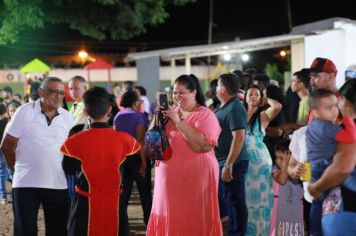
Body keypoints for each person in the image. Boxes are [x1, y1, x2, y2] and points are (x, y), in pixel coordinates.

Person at [146, 74, 223, 236]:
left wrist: (179, 122)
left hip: (196, 177)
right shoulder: (168, 113)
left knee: (194, 214)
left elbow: (203, 146)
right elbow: (152, 142)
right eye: (174, 92)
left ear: (194, 92)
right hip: (168, 179)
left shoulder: (205, 114)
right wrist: (157, 116)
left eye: (181, 92)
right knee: (169, 212)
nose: (177, 96)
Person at [60, 87, 140, 236]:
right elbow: (132, 165)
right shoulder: (126, 140)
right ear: (109, 109)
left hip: (84, 204)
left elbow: (68, 169)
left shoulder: (73, 141)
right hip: (115, 203)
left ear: (85, 112)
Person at [0, 77, 74, 236]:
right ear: (41, 92)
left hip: (57, 184)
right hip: (26, 184)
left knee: (58, 231)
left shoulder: (68, 117)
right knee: (25, 231)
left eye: (62, 92)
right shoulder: (24, 112)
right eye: (54, 91)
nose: (59, 96)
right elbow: (6, 146)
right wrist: (16, 170)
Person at [308, 79, 356, 235]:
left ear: (343, 100)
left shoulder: (348, 128)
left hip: (347, 206)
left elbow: (343, 167)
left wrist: (316, 187)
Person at [243, 85, 282, 236]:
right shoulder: (239, 114)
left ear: (261, 98)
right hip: (244, 160)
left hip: (260, 161)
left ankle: (261, 232)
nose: (253, 97)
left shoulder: (263, 116)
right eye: (250, 94)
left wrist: (266, 99)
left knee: (260, 199)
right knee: (246, 199)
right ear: (245, 97)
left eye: (256, 95)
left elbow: (277, 106)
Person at [214, 73, 249, 235]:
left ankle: (237, 233)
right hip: (223, 161)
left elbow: (239, 137)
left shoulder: (235, 107)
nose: (216, 88)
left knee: (235, 202)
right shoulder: (224, 106)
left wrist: (229, 164)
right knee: (229, 200)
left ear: (224, 88)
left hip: (233, 162)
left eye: (218, 85)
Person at [113, 90, 152, 236]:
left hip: (122, 160)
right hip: (137, 158)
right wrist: (144, 163)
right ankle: (149, 224)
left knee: (124, 196)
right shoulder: (139, 116)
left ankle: (122, 227)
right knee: (145, 194)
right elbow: (140, 142)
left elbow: (116, 141)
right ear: (136, 102)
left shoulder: (117, 116)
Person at [270, 138, 304, 236]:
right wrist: (286, 163)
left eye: (282, 158)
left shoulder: (298, 171)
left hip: (295, 216)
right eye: (277, 158)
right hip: (279, 216)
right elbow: (282, 179)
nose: (278, 161)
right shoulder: (275, 170)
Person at [0, 103, 8, 204]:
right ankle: (3, 196)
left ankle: (3, 195)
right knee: (4, 170)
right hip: (5, 148)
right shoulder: (7, 122)